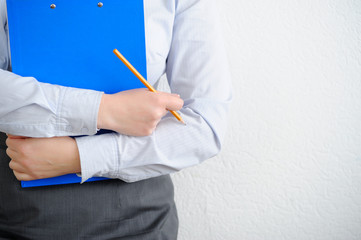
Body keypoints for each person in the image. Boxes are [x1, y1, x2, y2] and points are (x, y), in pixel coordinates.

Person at [0, 0, 232, 239]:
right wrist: (105, 110)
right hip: (16, 212)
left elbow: (205, 124)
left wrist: (78, 156)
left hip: (140, 219)